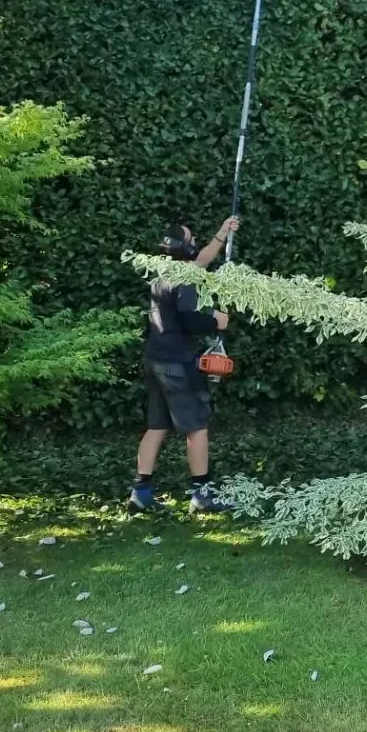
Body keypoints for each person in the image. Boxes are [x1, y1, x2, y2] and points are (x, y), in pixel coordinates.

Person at [128, 216, 238, 514]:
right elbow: (190, 319)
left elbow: (199, 262)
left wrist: (222, 233)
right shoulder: (186, 278)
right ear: (183, 247)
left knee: (156, 426)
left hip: (154, 359)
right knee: (197, 428)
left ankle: (140, 494)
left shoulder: (162, 271)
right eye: (191, 240)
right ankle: (202, 496)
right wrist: (216, 319)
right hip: (177, 363)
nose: (194, 243)